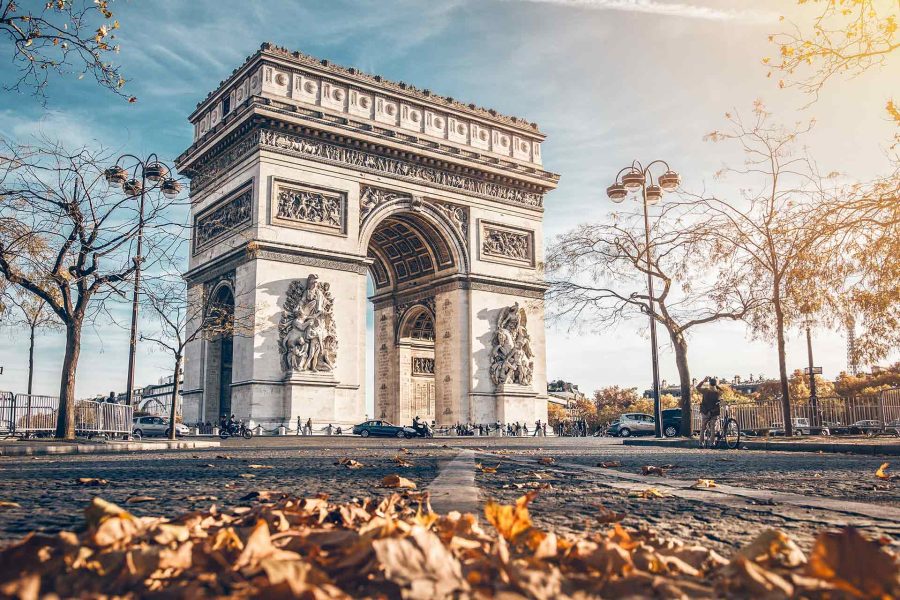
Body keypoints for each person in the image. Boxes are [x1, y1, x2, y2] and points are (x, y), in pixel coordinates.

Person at [697, 376, 722, 446]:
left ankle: (701, 444)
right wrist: (715, 384)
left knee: (703, 428)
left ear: (709, 384)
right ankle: (712, 443)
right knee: (713, 428)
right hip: (714, 412)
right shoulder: (717, 393)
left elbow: (697, 387)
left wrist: (704, 381)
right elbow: (722, 391)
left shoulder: (705, 391)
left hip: (705, 412)